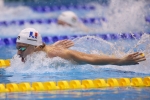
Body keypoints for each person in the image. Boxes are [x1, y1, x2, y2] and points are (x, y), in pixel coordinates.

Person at [16, 28, 146, 65]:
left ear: (36, 47)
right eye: (17, 47)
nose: (18, 53)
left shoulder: (58, 54)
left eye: (21, 48)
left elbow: (89, 58)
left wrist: (120, 61)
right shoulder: (38, 50)